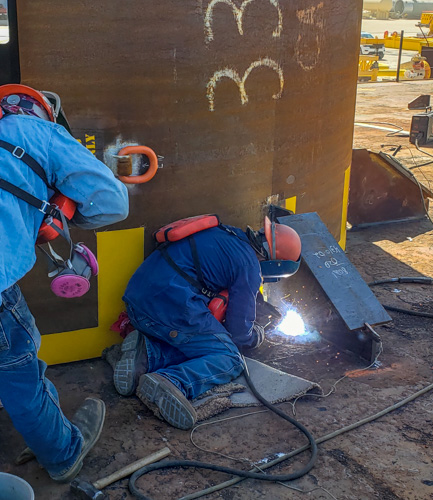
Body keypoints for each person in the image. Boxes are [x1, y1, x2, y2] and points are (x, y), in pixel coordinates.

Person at [0, 84, 129, 482]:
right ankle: (63, 452)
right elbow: (112, 201)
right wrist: (59, 212)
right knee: (17, 366)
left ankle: (44, 428)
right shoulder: (35, 132)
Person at [113, 214, 301, 430]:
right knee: (229, 356)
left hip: (138, 305)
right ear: (275, 264)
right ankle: (172, 381)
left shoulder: (228, 233)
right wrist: (255, 335)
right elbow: (239, 333)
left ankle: (147, 354)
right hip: (168, 306)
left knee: (203, 343)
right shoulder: (249, 265)